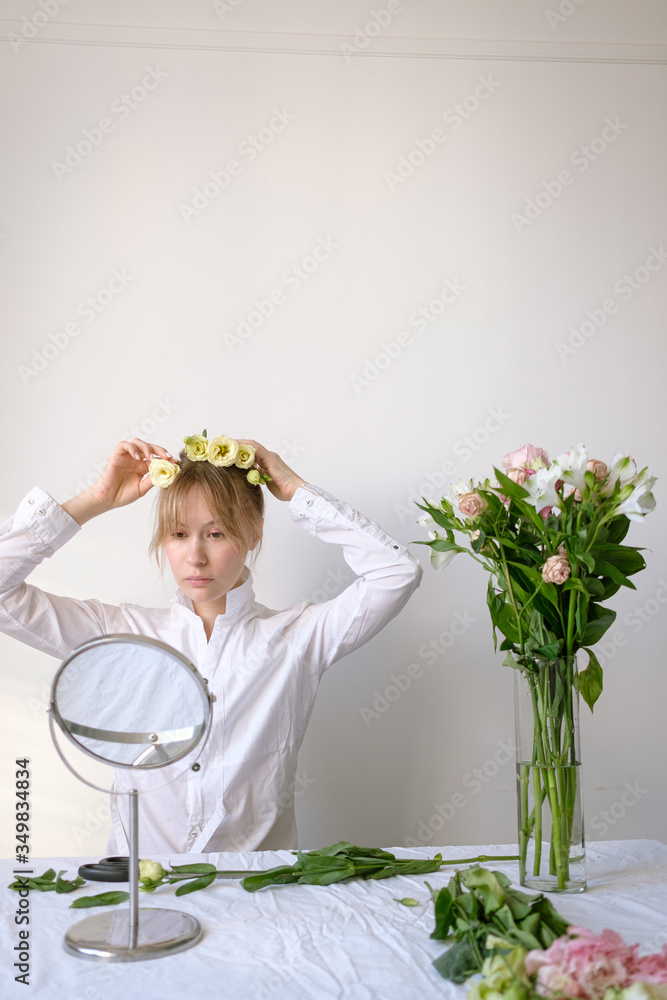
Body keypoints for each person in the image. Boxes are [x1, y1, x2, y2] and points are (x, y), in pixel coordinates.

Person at [0, 433, 422, 856]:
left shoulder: (297, 637)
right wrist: (97, 498)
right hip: (142, 894)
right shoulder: (123, 634)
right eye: (179, 534)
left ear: (254, 532)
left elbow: (397, 572)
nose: (195, 557)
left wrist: (295, 490)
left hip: (257, 891)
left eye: (217, 534)